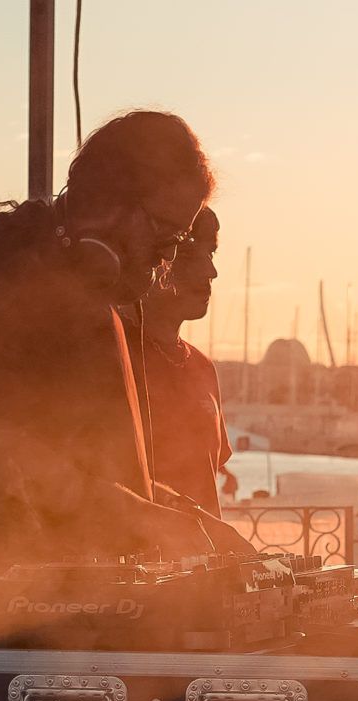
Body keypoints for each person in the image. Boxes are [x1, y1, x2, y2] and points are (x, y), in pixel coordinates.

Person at [0, 109, 250, 636]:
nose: (167, 256)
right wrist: (141, 516)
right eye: (164, 233)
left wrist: (193, 521)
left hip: (87, 619)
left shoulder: (100, 297)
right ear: (109, 203)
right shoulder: (2, 273)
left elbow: (101, 471)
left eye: (178, 241)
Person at [135, 207, 234, 517]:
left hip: (203, 547)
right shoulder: (117, 359)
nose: (210, 271)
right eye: (191, 256)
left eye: (211, 254)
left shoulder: (203, 368)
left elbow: (207, 475)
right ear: (154, 260)